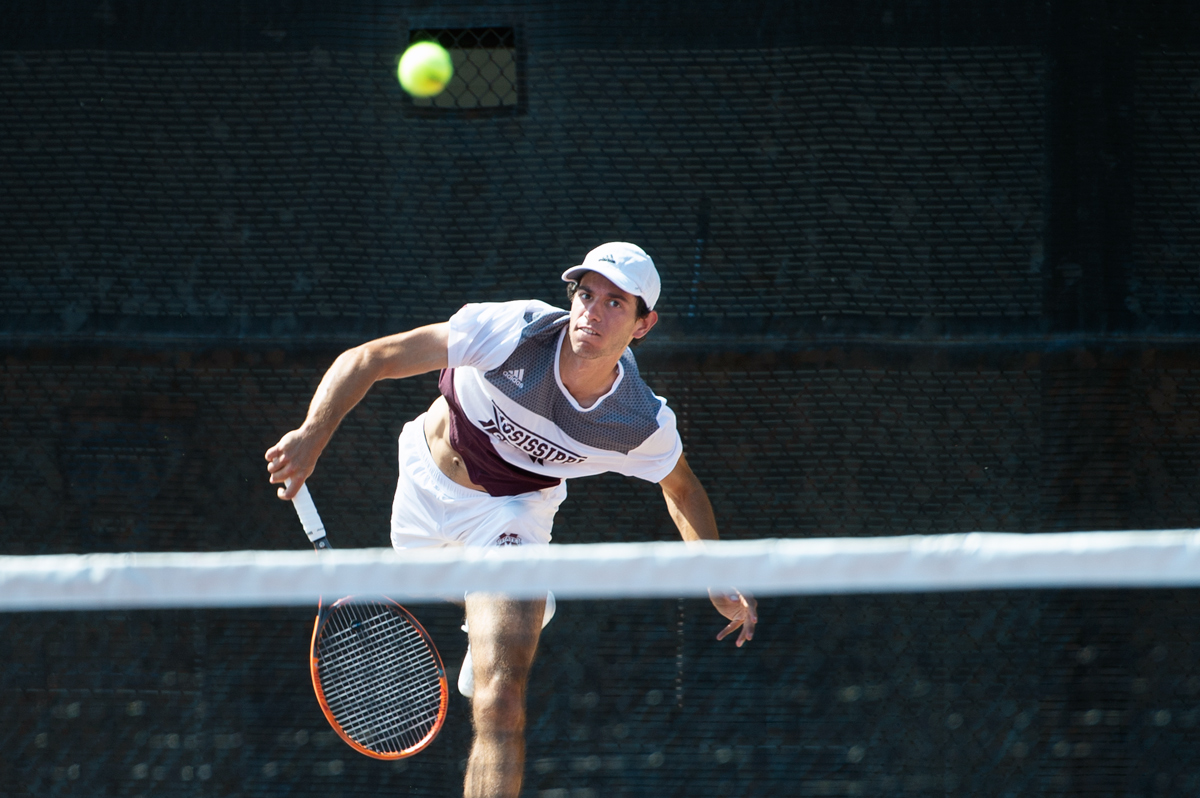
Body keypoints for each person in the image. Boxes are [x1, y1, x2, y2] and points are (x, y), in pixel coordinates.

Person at [265, 242, 757, 798]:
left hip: (511, 517)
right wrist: (311, 434)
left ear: (644, 325)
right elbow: (372, 358)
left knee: (501, 699)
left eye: (616, 303)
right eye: (585, 294)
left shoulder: (637, 419)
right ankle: (504, 611)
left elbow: (682, 489)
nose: (592, 312)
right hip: (423, 491)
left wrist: (715, 571)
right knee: (470, 597)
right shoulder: (512, 331)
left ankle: (510, 605)